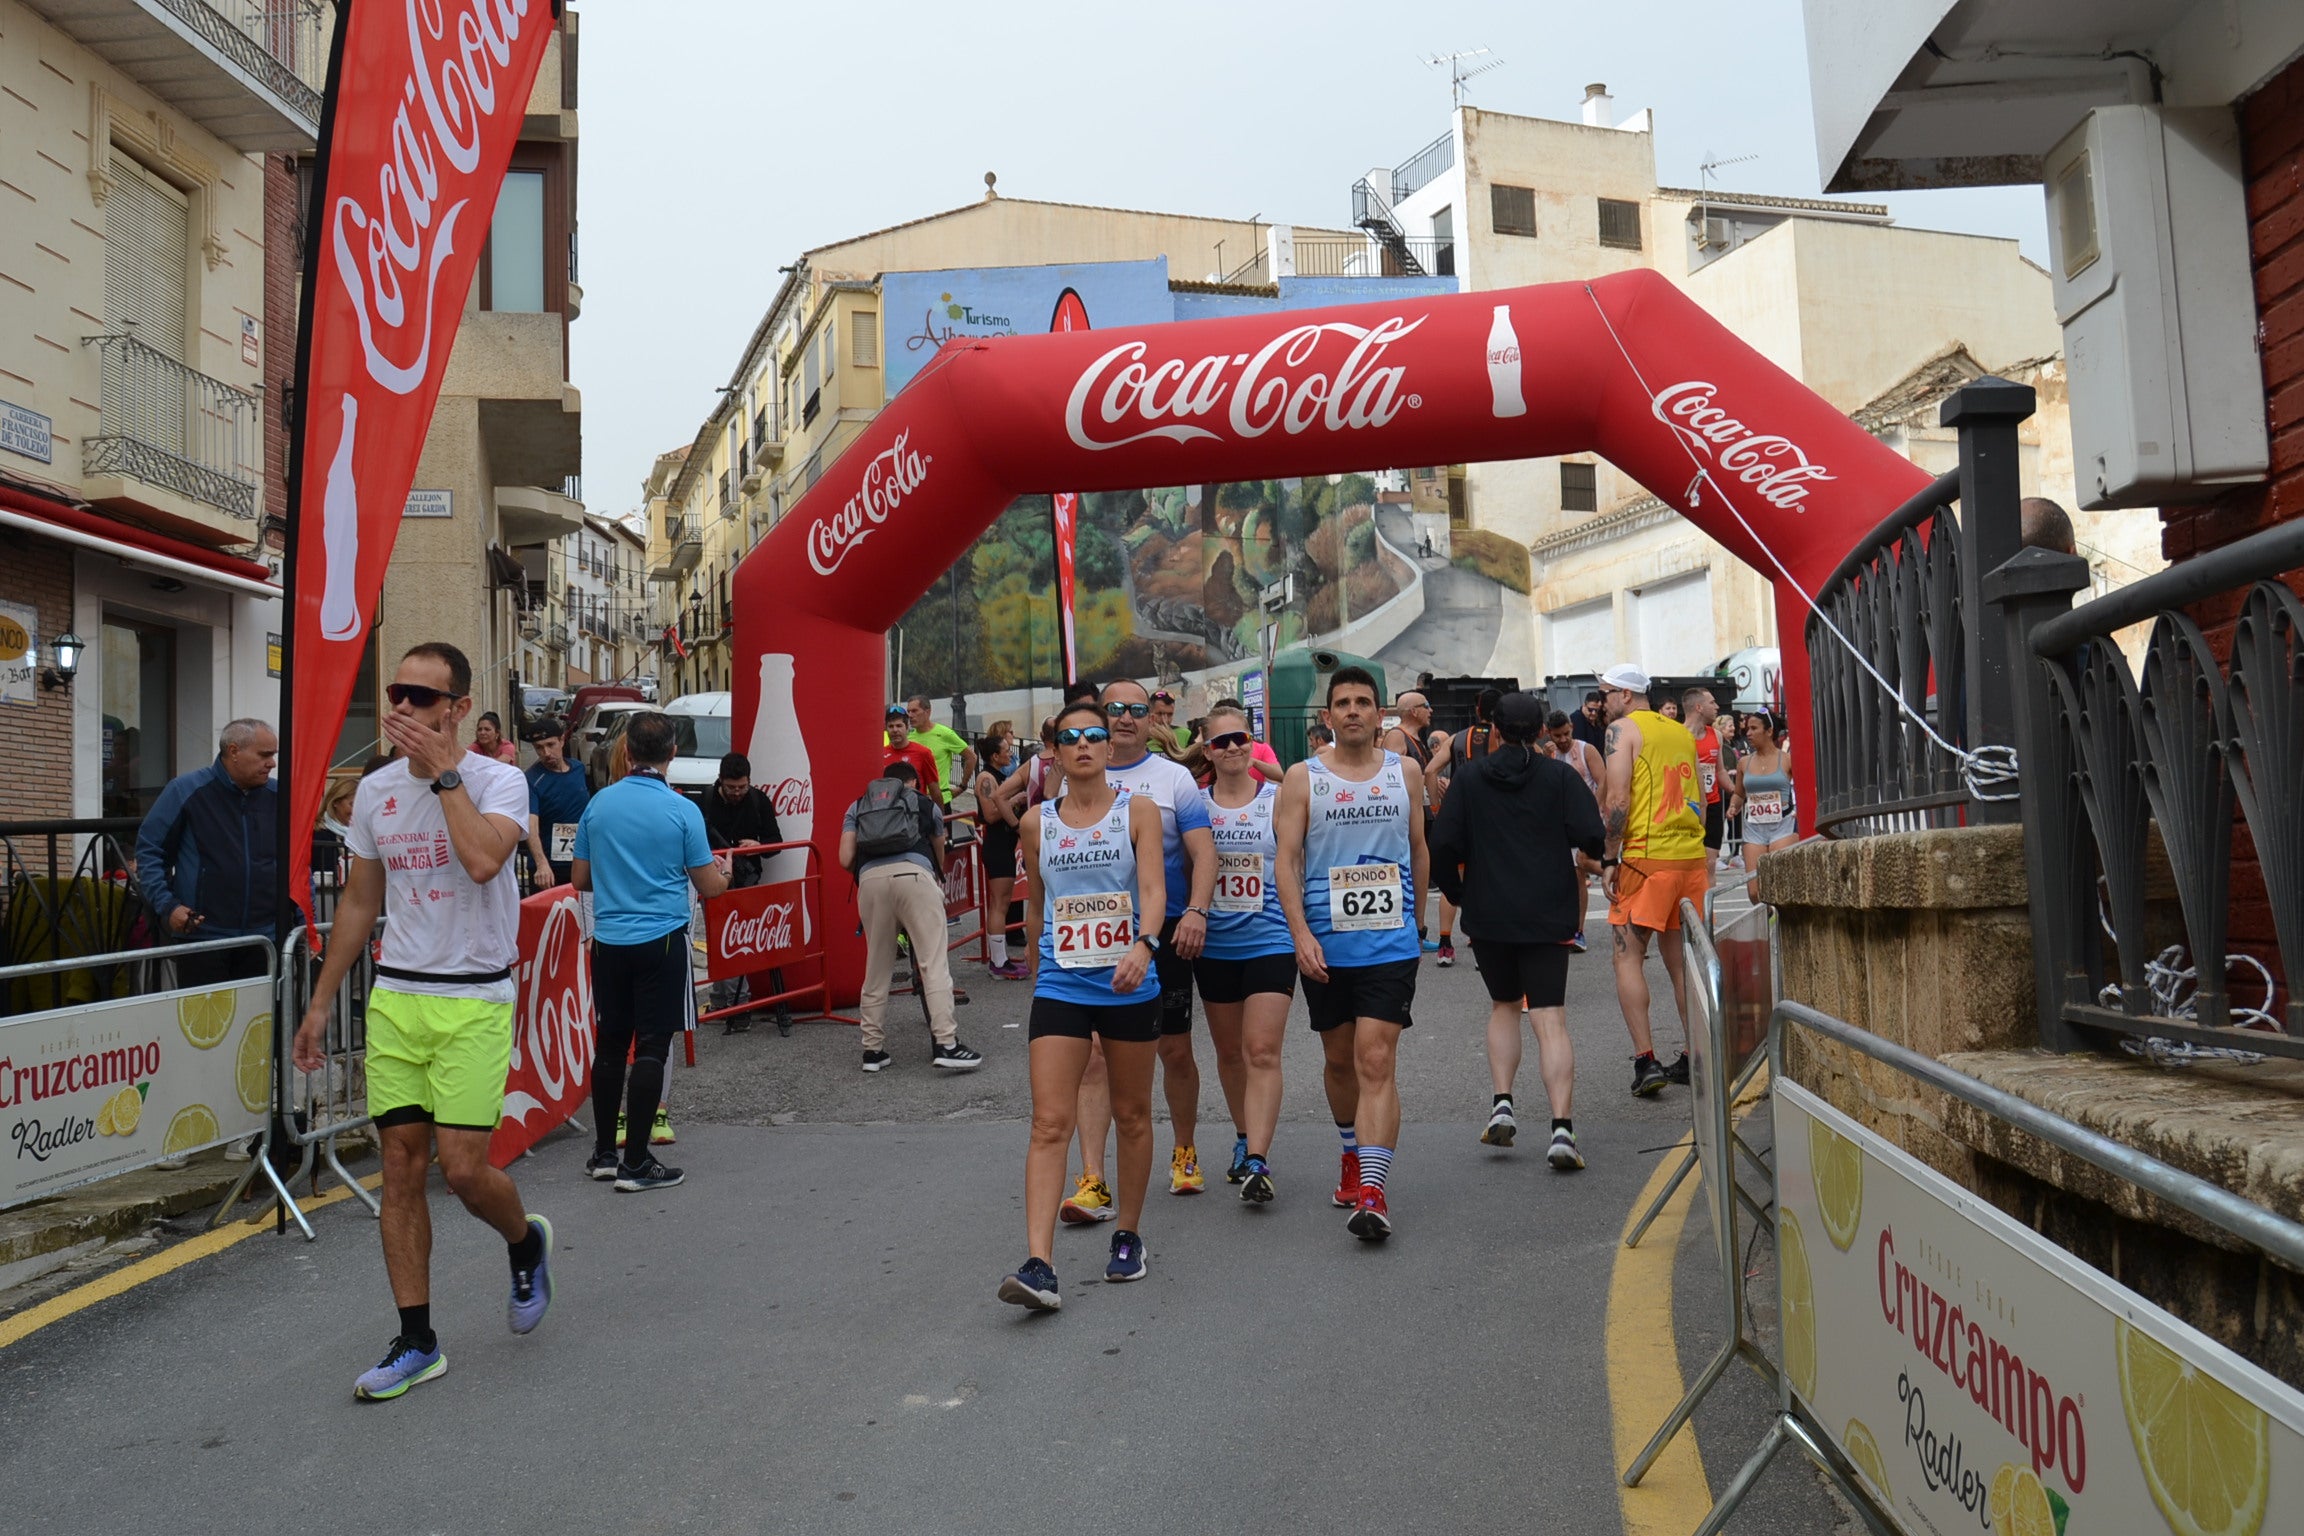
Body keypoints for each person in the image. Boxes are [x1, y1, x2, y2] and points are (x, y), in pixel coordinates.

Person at [291, 642, 551, 1402]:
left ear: (458, 709)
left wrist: (444, 776)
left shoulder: (501, 780)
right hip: (398, 996)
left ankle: (523, 1238)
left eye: (420, 696)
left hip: (474, 998)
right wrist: (317, 1002)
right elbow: (362, 905)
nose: (401, 706)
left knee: (465, 1173)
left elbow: (480, 862)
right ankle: (417, 1340)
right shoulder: (372, 793)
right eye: (395, 693)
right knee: (400, 1169)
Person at [998, 701, 1167, 1311]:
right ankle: (1039, 1264)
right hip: (1063, 987)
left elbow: (1153, 891)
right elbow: (1037, 908)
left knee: (1132, 1115)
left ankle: (1129, 1234)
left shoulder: (1138, 811)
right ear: (1056, 751)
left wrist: (1145, 947)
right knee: (1049, 1123)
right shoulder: (1037, 822)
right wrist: (1040, 977)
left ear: (1108, 746)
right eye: (1070, 738)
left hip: (1127, 983)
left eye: (1095, 735)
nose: (1085, 745)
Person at [1277, 665, 1429, 1241]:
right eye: (1342, 703)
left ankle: (1372, 1188)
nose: (1353, 711)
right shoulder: (1302, 778)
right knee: (1340, 1061)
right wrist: (1300, 935)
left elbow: (1418, 849)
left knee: (1374, 1061)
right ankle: (1350, 1150)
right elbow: (1286, 862)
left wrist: (1414, 928)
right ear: (1328, 716)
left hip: (1389, 943)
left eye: (1363, 702)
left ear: (1379, 712)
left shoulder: (1405, 772)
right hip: (1325, 945)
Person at [1430, 692, 1604, 1171]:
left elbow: (1443, 841)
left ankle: (1502, 1103)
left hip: (1489, 911)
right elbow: (1591, 831)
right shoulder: (1560, 776)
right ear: (1541, 732)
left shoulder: (1468, 779)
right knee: (1550, 1019)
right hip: (1548, 909)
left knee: (1504, 1006)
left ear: (1496, 729)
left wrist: (1457, 890)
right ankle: (1562, 1130)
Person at [1062, 679, 1217, 1213]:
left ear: (1152, 717)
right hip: (1091, 938)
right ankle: (1091, 1178)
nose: (1126, 718)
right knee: (1095, 1059)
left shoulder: (1172, 778)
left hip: (1164, 934)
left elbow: (1205, 853)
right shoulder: (1072, 776)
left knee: (1173, 1049)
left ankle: (1184, 1149)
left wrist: (1196, 911)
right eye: (1114, 710)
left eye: (1136, 709)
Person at [572, 711, 727, 1192]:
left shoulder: (598, 805)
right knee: (654, 1046)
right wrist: (723, 872)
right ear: (672, 754)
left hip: (610, 939)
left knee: (611, 1044)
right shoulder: (683, 810)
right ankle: (636, 1163)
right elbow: (709, 885)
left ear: (629, 753)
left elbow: (580, 879)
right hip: (661, 938)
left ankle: (603, 1153)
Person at [1194, 704, 1297, 1202]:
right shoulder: (1196, 805)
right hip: (1214, 945)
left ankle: (1258, 1158)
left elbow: (1300, 860)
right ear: (1207, 751)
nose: (1233, 748)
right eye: (1222, 742)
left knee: (1261, 1050)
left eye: (1241, 739)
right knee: (1230, 1053)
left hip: (1271, 938)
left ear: (1253, 744)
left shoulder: (1277, 798)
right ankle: (1241, 1136)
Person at [1598, 663, 1706, 1097]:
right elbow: (1700, 793)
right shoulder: (1682, 732)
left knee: (1627, 957)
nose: (1601, 701)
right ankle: (1694, 1055)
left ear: (1625, 695)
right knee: (1682, 965)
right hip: (1689, 859)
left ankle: (1646, 1061)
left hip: (1646, 858)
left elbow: (1617, 797)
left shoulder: (1622, 731)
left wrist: (1610, 856)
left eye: (1605, 692)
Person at [839, 760, 984, 1074]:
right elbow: (938, 848)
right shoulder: (924, 803)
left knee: (876, 969)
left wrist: (868, 873)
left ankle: (872, 1051)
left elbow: (845, 858)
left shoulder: (858, 805)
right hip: (916, 878)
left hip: (870, 883)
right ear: (913, 783)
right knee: (933, 962)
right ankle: (946, 1043)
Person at [136, 718, 280, 988]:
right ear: (234, 751)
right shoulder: (185, 790)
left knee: (261, 1027)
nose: (272, 763)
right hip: (203, 938)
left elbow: (296, 860)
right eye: (265, 755)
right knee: (207, 1029)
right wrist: (169, 907)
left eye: (273, 755)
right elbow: (150, 851)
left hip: (265, 938)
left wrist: (302, 917)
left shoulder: (278, 795)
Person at [699, 751, 787, 1031]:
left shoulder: (759, 800)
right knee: (718, 940)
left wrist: (756, 845)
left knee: (735, 943)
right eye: (731, 788)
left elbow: (776, 842)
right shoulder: (705, 801)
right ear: (720, 782)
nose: (737, 793)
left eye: (742, 787)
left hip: (747, 880)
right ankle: (725, 1002)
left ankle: (737, 1005)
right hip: (712, 879)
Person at [1425, 687, 1504, 968]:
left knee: (1454, 881)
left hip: (1460, 817)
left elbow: (1430, 771)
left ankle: (1445, 943)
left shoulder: (1458, 738)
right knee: (1489, 880)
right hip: (1493, 820)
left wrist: (1436, 808)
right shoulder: (1503, 737)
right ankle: (1485, 941)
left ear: (1477, 710)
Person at [973, 734, 1027, 979]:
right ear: (995, 756)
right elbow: (991, 814)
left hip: (1005, 845)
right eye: (1006, 750)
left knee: (1002, 903)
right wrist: (1014, 799)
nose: (1010, 753)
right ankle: (998, 962)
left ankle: (1001, 957)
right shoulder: (986, 778)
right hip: (996, 846)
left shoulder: (1001, 775)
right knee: (999, 904)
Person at [520, 718, 590, 891]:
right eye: (539, 748)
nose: (546, 752)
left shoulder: (578, 769)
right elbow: (531, 825)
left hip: (579, 863)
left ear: (562, 740)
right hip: (549, 870)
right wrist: (541, 864)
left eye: (551, 744)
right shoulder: (531, 780)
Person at [1732, 709, 1799, 872]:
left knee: (1779, 880)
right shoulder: (1743, 762)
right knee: (1755, 892)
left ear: (1769, 731)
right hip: (1753, 827)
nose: (1748, 733)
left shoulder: (1787, 759)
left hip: (1783, 824)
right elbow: (1739, 794)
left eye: (1754, 729)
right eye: (1747, 729)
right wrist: (1733, 806)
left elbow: (1804, 788)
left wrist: (1799, 809)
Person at [1683, 687, 1730, 876]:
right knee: (1690, 865)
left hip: (1713, 805)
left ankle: (1707, 906)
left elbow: (1720, 771)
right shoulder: (1678, 734)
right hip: (1689, 806)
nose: (1717, 707)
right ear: (1699, 707)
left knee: (1710, 864)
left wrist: (1738, 793)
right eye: (1712, 702)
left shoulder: (1716, 735)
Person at [902, 695, 974, 806]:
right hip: (915, 801)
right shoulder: (909, 738)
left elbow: (971, 757)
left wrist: (962, 786)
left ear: (927, 712)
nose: (910, 715)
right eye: (909, 711)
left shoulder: (944, 733)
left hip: (940, 800)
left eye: (915, 711)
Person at [881, 705, 943, 797]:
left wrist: (939, 811)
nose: (895, 730)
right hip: (890, 810)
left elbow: (935, 790)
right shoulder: (880, 754)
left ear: (907, 728)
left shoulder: (923, 753)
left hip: (916, 809)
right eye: (891, 726)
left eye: (899, 726)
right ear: (886, 729)